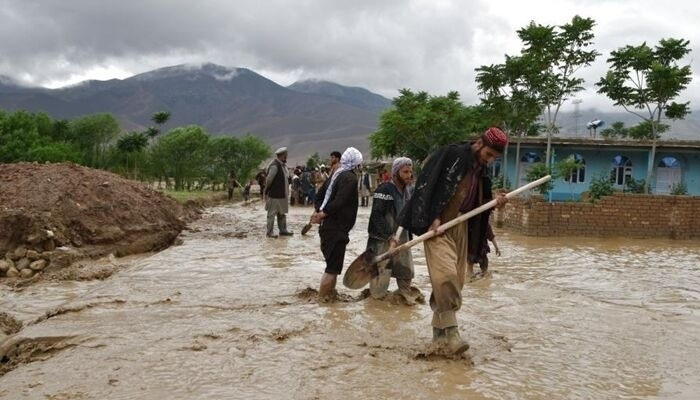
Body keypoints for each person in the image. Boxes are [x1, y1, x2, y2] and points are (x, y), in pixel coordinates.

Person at [399, 127, 509, 356]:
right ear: (479, 143)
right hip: (437, 227)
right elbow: (427, 183)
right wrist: (432, 216)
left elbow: (480, 204)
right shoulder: (452, 155)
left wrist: (496, 201)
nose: (489, 160)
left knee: (456, 281)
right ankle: (452, 332)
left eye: (494, 158)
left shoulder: (482, 172)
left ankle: (438, 338)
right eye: (489, 154)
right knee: (445, 276)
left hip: (461, 228)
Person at [367, 157, 423, 304]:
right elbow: (376, 216)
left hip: (402, 238)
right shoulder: (384, 189)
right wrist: (389, 236)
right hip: (382, 240)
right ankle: (376, 302)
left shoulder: (409, 191)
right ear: (395, 173)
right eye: (405, 172)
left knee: (406, 274)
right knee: (379, 285)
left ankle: (402, 300)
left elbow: (412, 216)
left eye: (410, 172)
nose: (409, 175)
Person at [312, 147, 362, 300]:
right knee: (332, 269)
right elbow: (340, 201)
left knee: (331, 267)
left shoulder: (336, 175)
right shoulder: (350, 178)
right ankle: (323, 301)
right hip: (336, 229)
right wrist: (323, 213)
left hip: (327, 228)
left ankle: (329, 299)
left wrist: (320, 212)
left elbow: (318, 197)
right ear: (356, 164)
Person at [265, 147, 293, 238]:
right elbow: (269, 180)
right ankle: (269, 232)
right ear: (282, 156)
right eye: (285, 156)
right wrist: (266, 191)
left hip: (282, 195)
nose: (286, 157)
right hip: (275, 195)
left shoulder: (282, 165)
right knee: (271, 214)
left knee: (282, 213)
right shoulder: (275, 165)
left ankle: (283, 230)